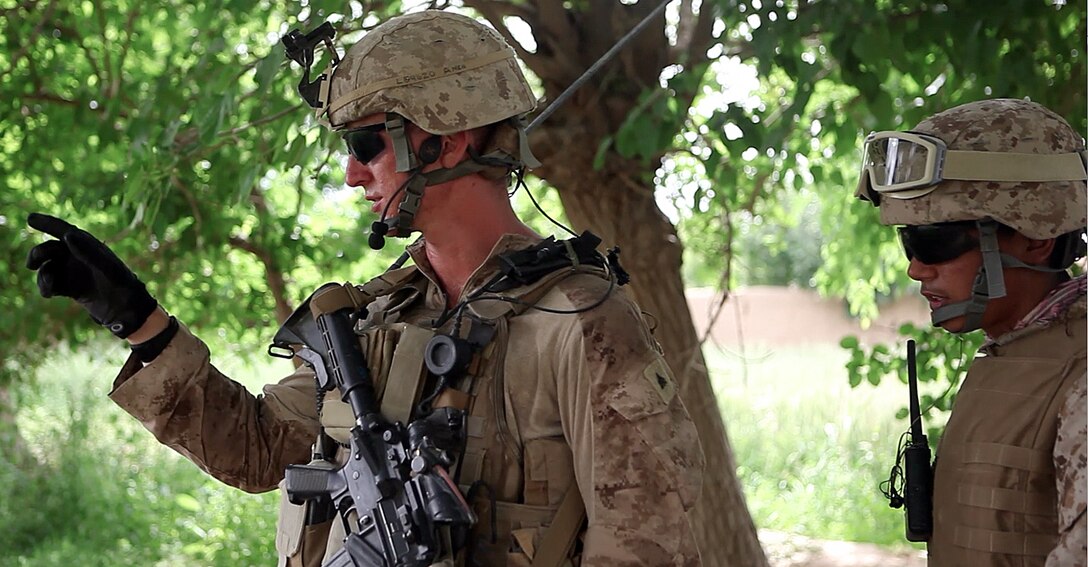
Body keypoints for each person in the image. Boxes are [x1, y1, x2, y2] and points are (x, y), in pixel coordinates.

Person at [25, 10, 705, 567]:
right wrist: (141, 323)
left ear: (450, 138)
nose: (353, 176)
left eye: (365, 145)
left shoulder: (581, 321)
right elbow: (259, 447)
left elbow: (651, 547)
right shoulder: (373, 318)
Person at [854, 98, 1087, 566]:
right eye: (909, 241)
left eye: (934, 242)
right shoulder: (1013, 353)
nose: (916, 269)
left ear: (1036, 236)